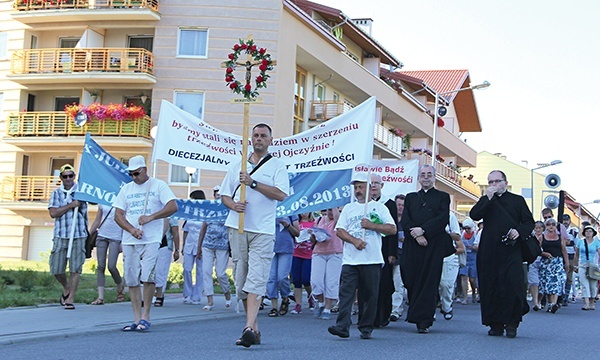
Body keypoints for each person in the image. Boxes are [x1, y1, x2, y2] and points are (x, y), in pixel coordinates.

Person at [220, 123, 289, 347]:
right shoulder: (237, 165)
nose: (258, 139)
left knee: (257, 279)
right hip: (238, 227)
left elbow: (280, 195)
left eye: (263, 136)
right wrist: (234, 206)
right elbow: (224, 196)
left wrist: (254, 183)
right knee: (241, 282)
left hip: (263, 230)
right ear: (251, 139)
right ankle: (255, 329)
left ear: (270, 140)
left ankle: (247, 327)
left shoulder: (277, 166)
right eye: (256, 135)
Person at [328, 172, 396, 340]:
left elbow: (392, 229)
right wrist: (354, 240)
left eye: (361, 187)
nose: (358, 190)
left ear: (369, 188)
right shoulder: (349, 208)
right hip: (350, 260)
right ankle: (342, 325)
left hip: (371, 258)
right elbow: (340, 230)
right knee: (346, 293)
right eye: (356, 187)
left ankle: (366, 327)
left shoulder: (379, 207)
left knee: (370, 295)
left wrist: (372, 225)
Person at [114, 155, 177, 332]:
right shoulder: (126, 189)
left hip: (151, 238)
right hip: (130, 239)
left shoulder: (158, 185)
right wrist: (131, 229)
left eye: (136, 173)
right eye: (131, 174)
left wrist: (151, 217)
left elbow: (173, 206)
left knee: (148, 276)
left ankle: (146, 316)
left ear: (144, 170)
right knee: (132, 278)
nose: (134, 177)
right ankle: (136, 317)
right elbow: (118, 215)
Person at [470, 170, 534, 338]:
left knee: (512, 285)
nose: (494, 185)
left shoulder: (517, 201)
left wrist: (518, 231)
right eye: (490, 182)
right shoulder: (486, 200)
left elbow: (529, 222)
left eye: (497, 181)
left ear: (505, 182)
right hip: (489, 249)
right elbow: (474, 215)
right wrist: (487, 198)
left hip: (511, 249)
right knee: (491, 285)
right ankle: (495, 323)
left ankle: (512, 323)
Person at [400, 165, 455, 334]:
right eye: (423, 175)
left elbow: (442, 219)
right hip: (413, 244)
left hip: (433, 245)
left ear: (434, 177)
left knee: (429, 282)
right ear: (418, 178)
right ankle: (416, 312)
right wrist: (416, 235)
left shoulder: (443, 197)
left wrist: (423, 231)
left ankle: (424, 320)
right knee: (410, 278)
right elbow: (406, 219)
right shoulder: (410, 197)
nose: (426, 177)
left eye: (429, 175)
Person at [48, 164, 88, 310]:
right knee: (57, 268)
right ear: (61, 178)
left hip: (78, 234)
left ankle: (71, 298)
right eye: (65, 176)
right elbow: (53, 213)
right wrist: (70, 205)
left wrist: (82, 198)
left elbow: (94, 201)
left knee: (75, 268)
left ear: (74, 177)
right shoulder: (56, 193)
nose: (68, 179)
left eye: (71, 176)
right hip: (61, 234)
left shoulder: (80, 191)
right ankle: (66, 286)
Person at [369, 174, 398, 328]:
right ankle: (369, 316)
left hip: (384, 249)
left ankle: (383, 315)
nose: (373, 186)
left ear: (382, 185)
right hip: (368, 248)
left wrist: (392, 253)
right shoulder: (364, 204)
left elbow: (394, 229)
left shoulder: (389, 204)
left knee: (384, 284)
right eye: (371, 183)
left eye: (376, 183)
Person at [199, 188, 232, 311]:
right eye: (216, 194)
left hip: (222, 245)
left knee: (221, 273)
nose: (218, 196)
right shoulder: (209, 209)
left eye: (220, 194)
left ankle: (227, 294)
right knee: (206, 271)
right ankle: (209, 300)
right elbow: (203, 228)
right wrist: (199, 247)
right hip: (207, 245)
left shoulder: (228, 210)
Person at [89, 203, 125, 305]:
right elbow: (97, 220)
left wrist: (123, 241)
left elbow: (125, 220)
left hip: (116, 237)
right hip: (102, 235)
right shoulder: (103, 200)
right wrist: (89, 234)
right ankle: (100, 297)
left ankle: (119, 285)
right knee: (101, 266)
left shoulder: (122, 200)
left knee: (111, 266)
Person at [310, 207, 343, 320]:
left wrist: (335, 207)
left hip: (335, 252)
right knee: (316, 280)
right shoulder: (319, 220)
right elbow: (312, 240)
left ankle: (328, 307)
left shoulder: (339, 220)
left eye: (331, 210)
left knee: (331, 281)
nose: (330, 212)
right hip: (319, 252)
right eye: (328, 210)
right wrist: (313, 235)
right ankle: (320, 302)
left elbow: (338, 221)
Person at [267, 215, 299, 317]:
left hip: (285, 248)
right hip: (270, 248)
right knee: (271, 278)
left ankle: (285, 297)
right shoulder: (269, 208)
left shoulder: (291, 211)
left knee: (282, 277)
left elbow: (297, 233)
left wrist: (288, 225)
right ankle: (274, 307)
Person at [438, 212, 465, 321]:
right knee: (433, 284)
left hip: (449, 256)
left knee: (446, 284)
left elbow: (458, 240)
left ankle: (446, 306)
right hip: (433, 255)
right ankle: (430, 312)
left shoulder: (450, 216)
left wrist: (445, 233)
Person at [539, 217, 569, 314]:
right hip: (546, 263)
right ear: (545, 226)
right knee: (547, 284)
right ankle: (550, 303)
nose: (551, 226)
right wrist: (544, 254)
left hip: (557, 262)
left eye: (553, 224)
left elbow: (564, 250)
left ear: (556, 226)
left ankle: (553, 304)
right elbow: (537, 249)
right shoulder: (542, 237)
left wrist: (567, 263)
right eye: (548, 224)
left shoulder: (560, 237)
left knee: (556, 283)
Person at [181, 190, 206, 305]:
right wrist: (183, 245)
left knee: (200, 271)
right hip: (189, 245)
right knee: (187, 268)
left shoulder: (205, 213)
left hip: (201, 245)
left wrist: (201, 247)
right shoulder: (189, 214)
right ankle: (187, 293)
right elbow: (185, 230)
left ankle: (196, 296)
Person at [290, 212, 315, 314]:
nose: (304, 214)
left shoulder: (314, 223)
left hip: (309, 254)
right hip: (296, 253)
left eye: (306, 211)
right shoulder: (296, 223)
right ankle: (298, 304)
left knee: (306, 278)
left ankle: (310, 296)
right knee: (296, 280)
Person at [153, 216, 180, 307]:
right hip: (152, 244)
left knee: (161, 270)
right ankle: (152, 293)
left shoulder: (171, 215)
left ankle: (160, 294)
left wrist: (177, 250)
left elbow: (175, 233)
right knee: (151, 270)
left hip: (165, 245)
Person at [574, 225, 600, 310]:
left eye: (590, 231)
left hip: (593, 266)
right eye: (586, 231)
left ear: (593, 233)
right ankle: (586, 303)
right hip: (582, 265)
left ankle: (592, 301)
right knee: (584, 284)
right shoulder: (580, 242)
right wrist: (575, 265)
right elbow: (576, 254)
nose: (588, 233)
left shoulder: (596, 242)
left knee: (593, 285)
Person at [390, 194, 406, 321]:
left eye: (402, 205)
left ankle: (396, 310)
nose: (400, 207)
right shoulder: (390, 219)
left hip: (402, 257)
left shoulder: (408, 221)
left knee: (398, 284)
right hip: (390, 255)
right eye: (398, 205)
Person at [458, 218, 478, 305]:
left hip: (473, 257)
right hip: (464, 257)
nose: (466, 230)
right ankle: (465, 297)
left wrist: (473, 247)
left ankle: (474, 291)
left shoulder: (476, 234)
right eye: (465, 228)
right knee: (464, 277)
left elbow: (479, 246)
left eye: (468, 228)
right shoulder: (462, 234)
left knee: (473, 279)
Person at [562, 214, 579, 305]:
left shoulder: (574, 231)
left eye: (567, 220)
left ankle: (566, 297)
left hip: (571, 255)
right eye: (564, 220)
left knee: (569, 277)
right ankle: (560, 296)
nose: (565, 222)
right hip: (561, 255)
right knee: (561, 276)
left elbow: (577, 246)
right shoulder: (558, 230)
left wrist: (576, 260)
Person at [528, 221, 545, 311]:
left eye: (540, 228)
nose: (537, 230)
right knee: (534, 282)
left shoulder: (546, 237)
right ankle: (535, 302)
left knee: (542, 282)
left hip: (544, 262)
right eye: (536, 228)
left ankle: (539, 301)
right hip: (533, 261)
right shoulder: (531, 237)